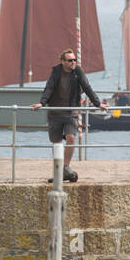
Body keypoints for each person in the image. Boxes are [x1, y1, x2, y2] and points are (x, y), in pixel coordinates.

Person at [30, 48, 107, 183]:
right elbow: (49, 88)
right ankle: (59, 171)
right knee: (57, 143)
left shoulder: (78, 71)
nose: (73, 62)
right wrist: (42, 103)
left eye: (75, 60)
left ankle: (65, 167)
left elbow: (87, 87)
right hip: (55, 112)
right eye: (70, 60)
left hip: (71, 111)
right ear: (63, 61)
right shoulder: (56, 72)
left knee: (71, 137)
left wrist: (97, 103)